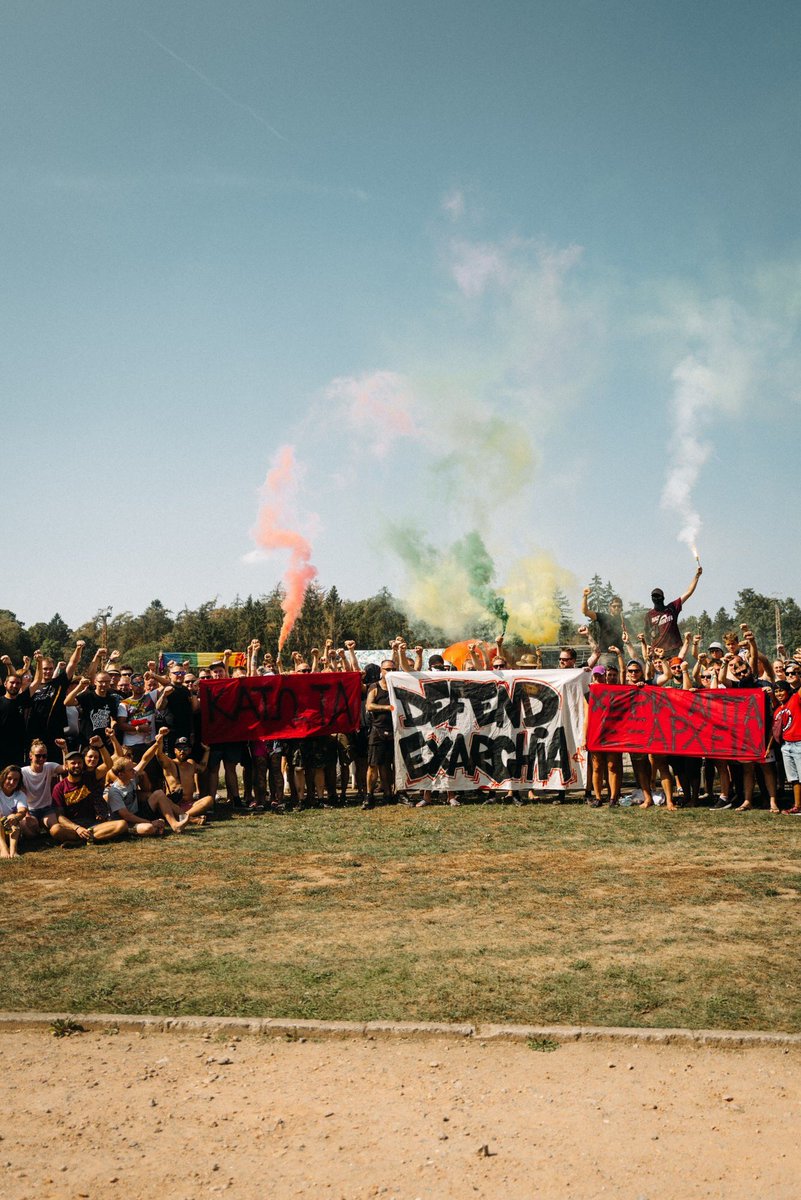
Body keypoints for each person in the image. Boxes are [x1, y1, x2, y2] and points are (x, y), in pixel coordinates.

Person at [49, 750, 128, 845]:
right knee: (55, 830)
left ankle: (80, 841)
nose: (77, 765)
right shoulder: (59, 787)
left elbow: (108, 765)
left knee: (122, 824)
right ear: (66, 766)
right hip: (72, 826)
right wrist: (77, 828)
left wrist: (101, 746)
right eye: (73, 763)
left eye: (79, 763)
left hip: (93, 824)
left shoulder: (89, 778)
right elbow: (60, 816)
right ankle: (90, 837)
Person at [154, 730, 214, 824]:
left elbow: (202, 768)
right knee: (164, 803)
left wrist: (207, 751)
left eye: (185, 748)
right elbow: (159, 755)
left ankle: (183, 816)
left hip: (190, 805)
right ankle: (189, 818)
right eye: (179, 748)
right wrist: (160, 741)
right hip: (173, 805)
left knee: (209, 799)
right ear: (175, 750)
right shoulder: (169, 763)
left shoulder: (191, 763)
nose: (182, 751)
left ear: (189, 750)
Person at [645, 565, 703, 656]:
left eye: (658, 596)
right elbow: (647, 635)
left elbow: (688, 593)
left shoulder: (672, 607)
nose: (656, 598)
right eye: (654, 596)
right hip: (657, 652)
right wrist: (648, 649)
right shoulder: (649, 615)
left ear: (663, 598)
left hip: (674, 650)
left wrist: (697, 576)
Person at [363, 660, 395, 809]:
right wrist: (387, 708)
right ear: (381, 670)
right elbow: (369, 705)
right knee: (373, 765)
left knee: (387, 765)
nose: (390, 671)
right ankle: (369, 796)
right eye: (387, 669)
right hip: (377, 730)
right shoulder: (375, 686)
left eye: (393, 669)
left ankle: (388, 794)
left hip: (394, 730)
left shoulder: (397, 686)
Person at [0, 764, 26, 859]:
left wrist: (15, 818)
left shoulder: (20, 794)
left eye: (15, 780)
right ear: (3, 777)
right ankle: (3, 849)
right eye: (9, 778)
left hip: (10, 829)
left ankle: (13, 850)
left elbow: (22, 811)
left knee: (13, 817)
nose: (12, 782)